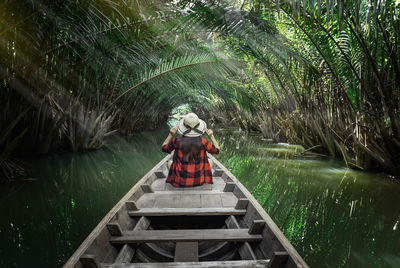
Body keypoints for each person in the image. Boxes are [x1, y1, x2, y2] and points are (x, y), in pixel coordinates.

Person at [162, 112, 220, 187]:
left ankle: (178, 178)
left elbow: (164, 148)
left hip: (180, 181)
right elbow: (216, 151)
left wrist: (171, 135)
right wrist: (211, 136)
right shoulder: (203, 141)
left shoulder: (176, 141)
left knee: (169, 162)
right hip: (199, 181)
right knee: (210, 160)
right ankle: (202, 179)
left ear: (183, 127)